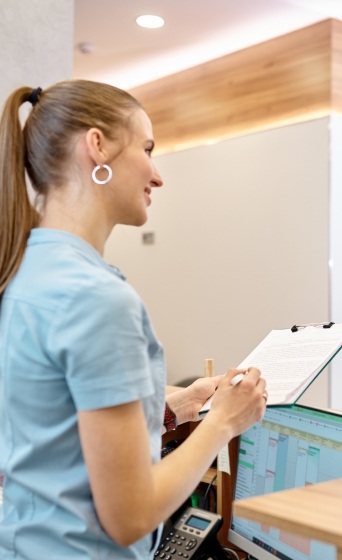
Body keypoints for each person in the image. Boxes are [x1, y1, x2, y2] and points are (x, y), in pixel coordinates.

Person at [0, 80, 267, 559]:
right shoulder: (97, 299)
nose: (158, 175)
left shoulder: (22, 272)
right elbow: (129, 516)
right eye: (147, 148)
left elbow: (56, 433)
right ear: (97, 146)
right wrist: (222, 423)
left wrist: (179, 407)